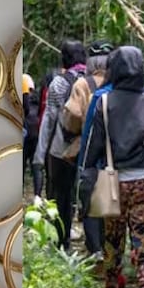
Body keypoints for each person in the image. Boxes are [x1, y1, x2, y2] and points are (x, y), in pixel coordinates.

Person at [82, 46, 144, 288]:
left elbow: (91, 149)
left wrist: (84, 184)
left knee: (112, 238)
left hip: (113, 182)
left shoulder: (104, 102)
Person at [33, 41, 88, 249]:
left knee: (59, 195)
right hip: (85, 148)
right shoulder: (91, 82)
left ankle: (60, 240)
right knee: (79, 193)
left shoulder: (58, 83)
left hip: (60, 149)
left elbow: (49, 119)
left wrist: (40, 155)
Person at [63, 43, 113, 258]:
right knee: (110, 201)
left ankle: (95, 249)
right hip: (116, 152)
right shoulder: (119, 84)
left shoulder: (83, 84)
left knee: (89, 199)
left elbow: (72, 116)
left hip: (89, 149)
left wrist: (73, 130)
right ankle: (110, 248)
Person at [22, 72, 40, 180]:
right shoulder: (37, 97)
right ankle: (37, 194)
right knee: (35, 165)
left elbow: (26, 109)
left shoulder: (24, 98)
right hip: (36, 132)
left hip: (26, 131)